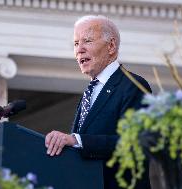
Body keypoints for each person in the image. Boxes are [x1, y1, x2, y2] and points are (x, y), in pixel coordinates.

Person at [45, 15, 151, 189]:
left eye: (87, 41)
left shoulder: (133, 85)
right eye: (76, 43)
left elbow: (134, 143)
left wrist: (76, 140)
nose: (79, 50)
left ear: (111, 46)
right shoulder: (90, 92)